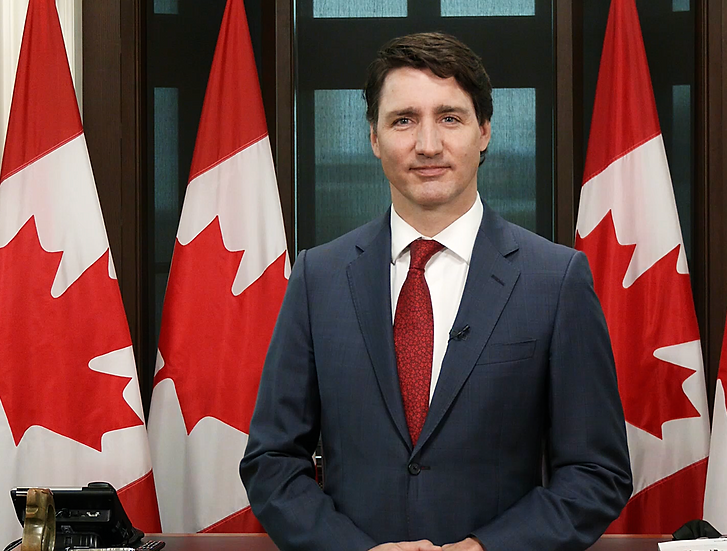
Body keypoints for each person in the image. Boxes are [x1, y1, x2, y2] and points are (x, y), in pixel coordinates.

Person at [240, 32, 631, 551]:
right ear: (374, 138)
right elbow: (271, 462)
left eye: (450, 117)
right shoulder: (319, 277)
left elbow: (596, 473)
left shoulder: (555, 281)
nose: (427, 144)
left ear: (485, 130)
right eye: (404, 120)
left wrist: (484, 549)